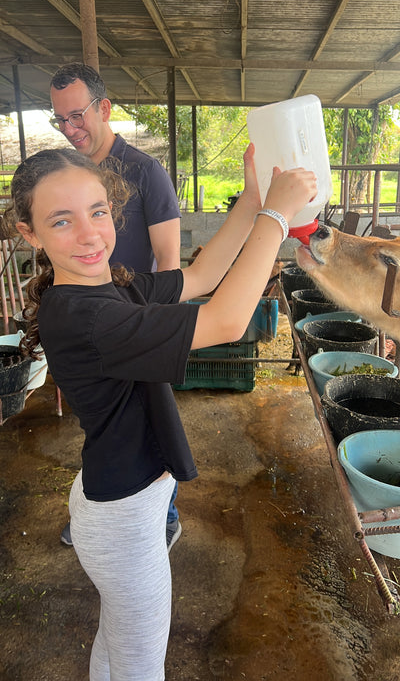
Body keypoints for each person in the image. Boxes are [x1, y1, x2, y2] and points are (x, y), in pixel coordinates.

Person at [11, 145, 316, 680]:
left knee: (118, 646)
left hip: (117, 502)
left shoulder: (109, 289)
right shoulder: (90, 318)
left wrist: (251, 201)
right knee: (140, 666)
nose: (89, 234)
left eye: (98, 211)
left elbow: (199, 279)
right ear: (29, 233)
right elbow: (224, 322)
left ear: (113, 210)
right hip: (122, 522)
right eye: (62, 220)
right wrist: (276, 218)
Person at [49, 62, 182, 550]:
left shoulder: (145, 172)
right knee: (101, 422)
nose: (70, 128)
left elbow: (169, 262)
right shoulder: (70, 172)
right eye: (60, 119)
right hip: (89, 321)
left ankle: (164, 515)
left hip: (134, 315)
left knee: (154, 420)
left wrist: (159, 330)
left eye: (77, 115)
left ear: (104, 108)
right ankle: (102, 503)